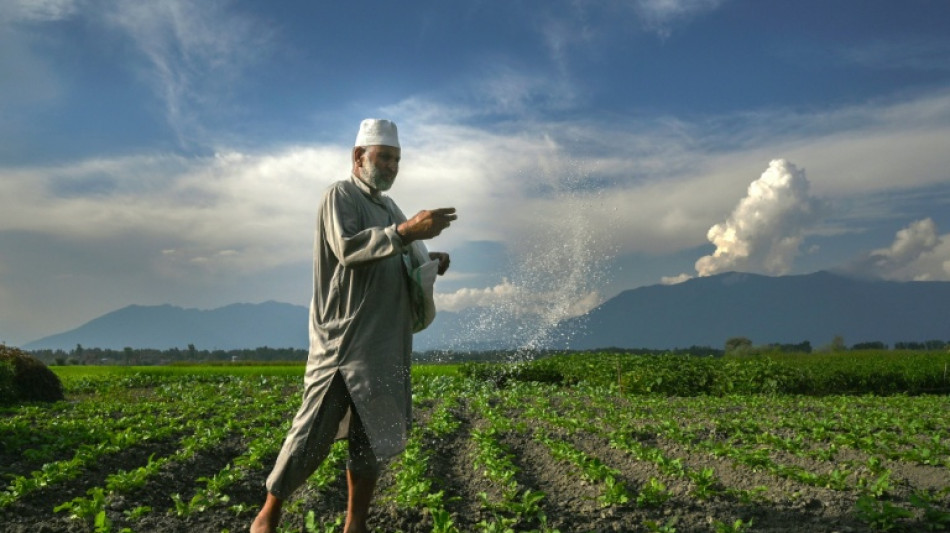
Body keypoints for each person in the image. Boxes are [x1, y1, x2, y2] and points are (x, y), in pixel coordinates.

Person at [251, 119, 456, 533]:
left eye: (397, 159)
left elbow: (398, 250)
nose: (392, 166)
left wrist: (429, 258)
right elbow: (348, 248)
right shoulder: (339, 195)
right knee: (312, 434)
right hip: (344, 344)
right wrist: (405, 232)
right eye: (385, 157)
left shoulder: (388, 208)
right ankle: (267, 517)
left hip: (383, 343)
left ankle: (355, 524)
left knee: (370, 441)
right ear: (358, 157)